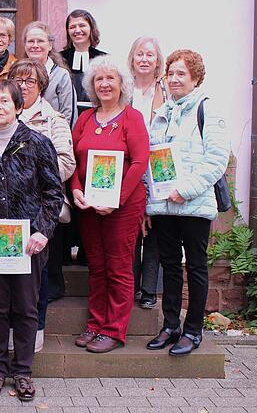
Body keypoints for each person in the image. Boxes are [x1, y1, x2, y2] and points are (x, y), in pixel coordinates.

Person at [0, 79, 63, 401]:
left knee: (25, 307)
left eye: (4, 101)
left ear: (18, 106)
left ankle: (22, 371)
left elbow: (53, 193)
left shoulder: (37, 143)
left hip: (28, 243)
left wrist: (42, 232)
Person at [145, 50, 229, 356]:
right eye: (171, 73)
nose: (175, 79)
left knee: (195, 266)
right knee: (169, 266)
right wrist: (150, 197)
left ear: (195, 78)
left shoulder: (208, 110)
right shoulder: (163, 113)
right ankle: (170, 326)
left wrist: (185, 190)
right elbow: (152, 160)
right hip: (164, 206)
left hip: (193, 204)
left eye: (182, 73)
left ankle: (193, 330)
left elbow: (216, 160)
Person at [69, 56, 150, 353]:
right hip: (90, 207)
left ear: (121, 84)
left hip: (124, 207)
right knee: (97, 266)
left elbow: (140, 162)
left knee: (118, 267)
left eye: (110, 79)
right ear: (92, 86)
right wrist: (76, 189)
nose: (104, 84)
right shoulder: (86, 119)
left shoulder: (132, 118)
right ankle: (95, 324)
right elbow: (74, 162)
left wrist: (115, 200)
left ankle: (114, 330)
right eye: (98, 80)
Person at [7, 59, 76, 352]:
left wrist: (29, 173)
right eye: (18, 81)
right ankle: (11, 329)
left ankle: (35, 331)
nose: (23, 86)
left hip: (39, 208)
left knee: (39, 273)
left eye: (29, 82)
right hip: (7, 208)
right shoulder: (1, 115)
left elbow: (66, 163)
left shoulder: (53, 121)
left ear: (41, 86)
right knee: (9, 271)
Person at [128, 36, 167, 309]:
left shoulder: (165, 89)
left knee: (155, 229)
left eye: (150, 55)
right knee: (131, 227)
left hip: (157, 165)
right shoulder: (124, 88)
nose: (144, 59)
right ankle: (130, 286)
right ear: (132, 58)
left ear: (157, 61)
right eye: (140, 54)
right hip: (130, 163)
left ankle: (150, 289)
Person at [22, 21, 77, 126]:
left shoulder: (61, 76)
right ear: (25, 46)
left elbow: (69, 115)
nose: (35, 45)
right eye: (30, 41)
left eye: (40, 41)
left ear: (50, 45)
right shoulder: (17, 75)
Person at [60, 9, 107, 116]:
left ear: (91, 28)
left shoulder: (103, 59)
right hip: (67, 114)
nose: (77, 30)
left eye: (82, 25)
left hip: (97, 114)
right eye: (72, 27)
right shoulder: (59, 58)